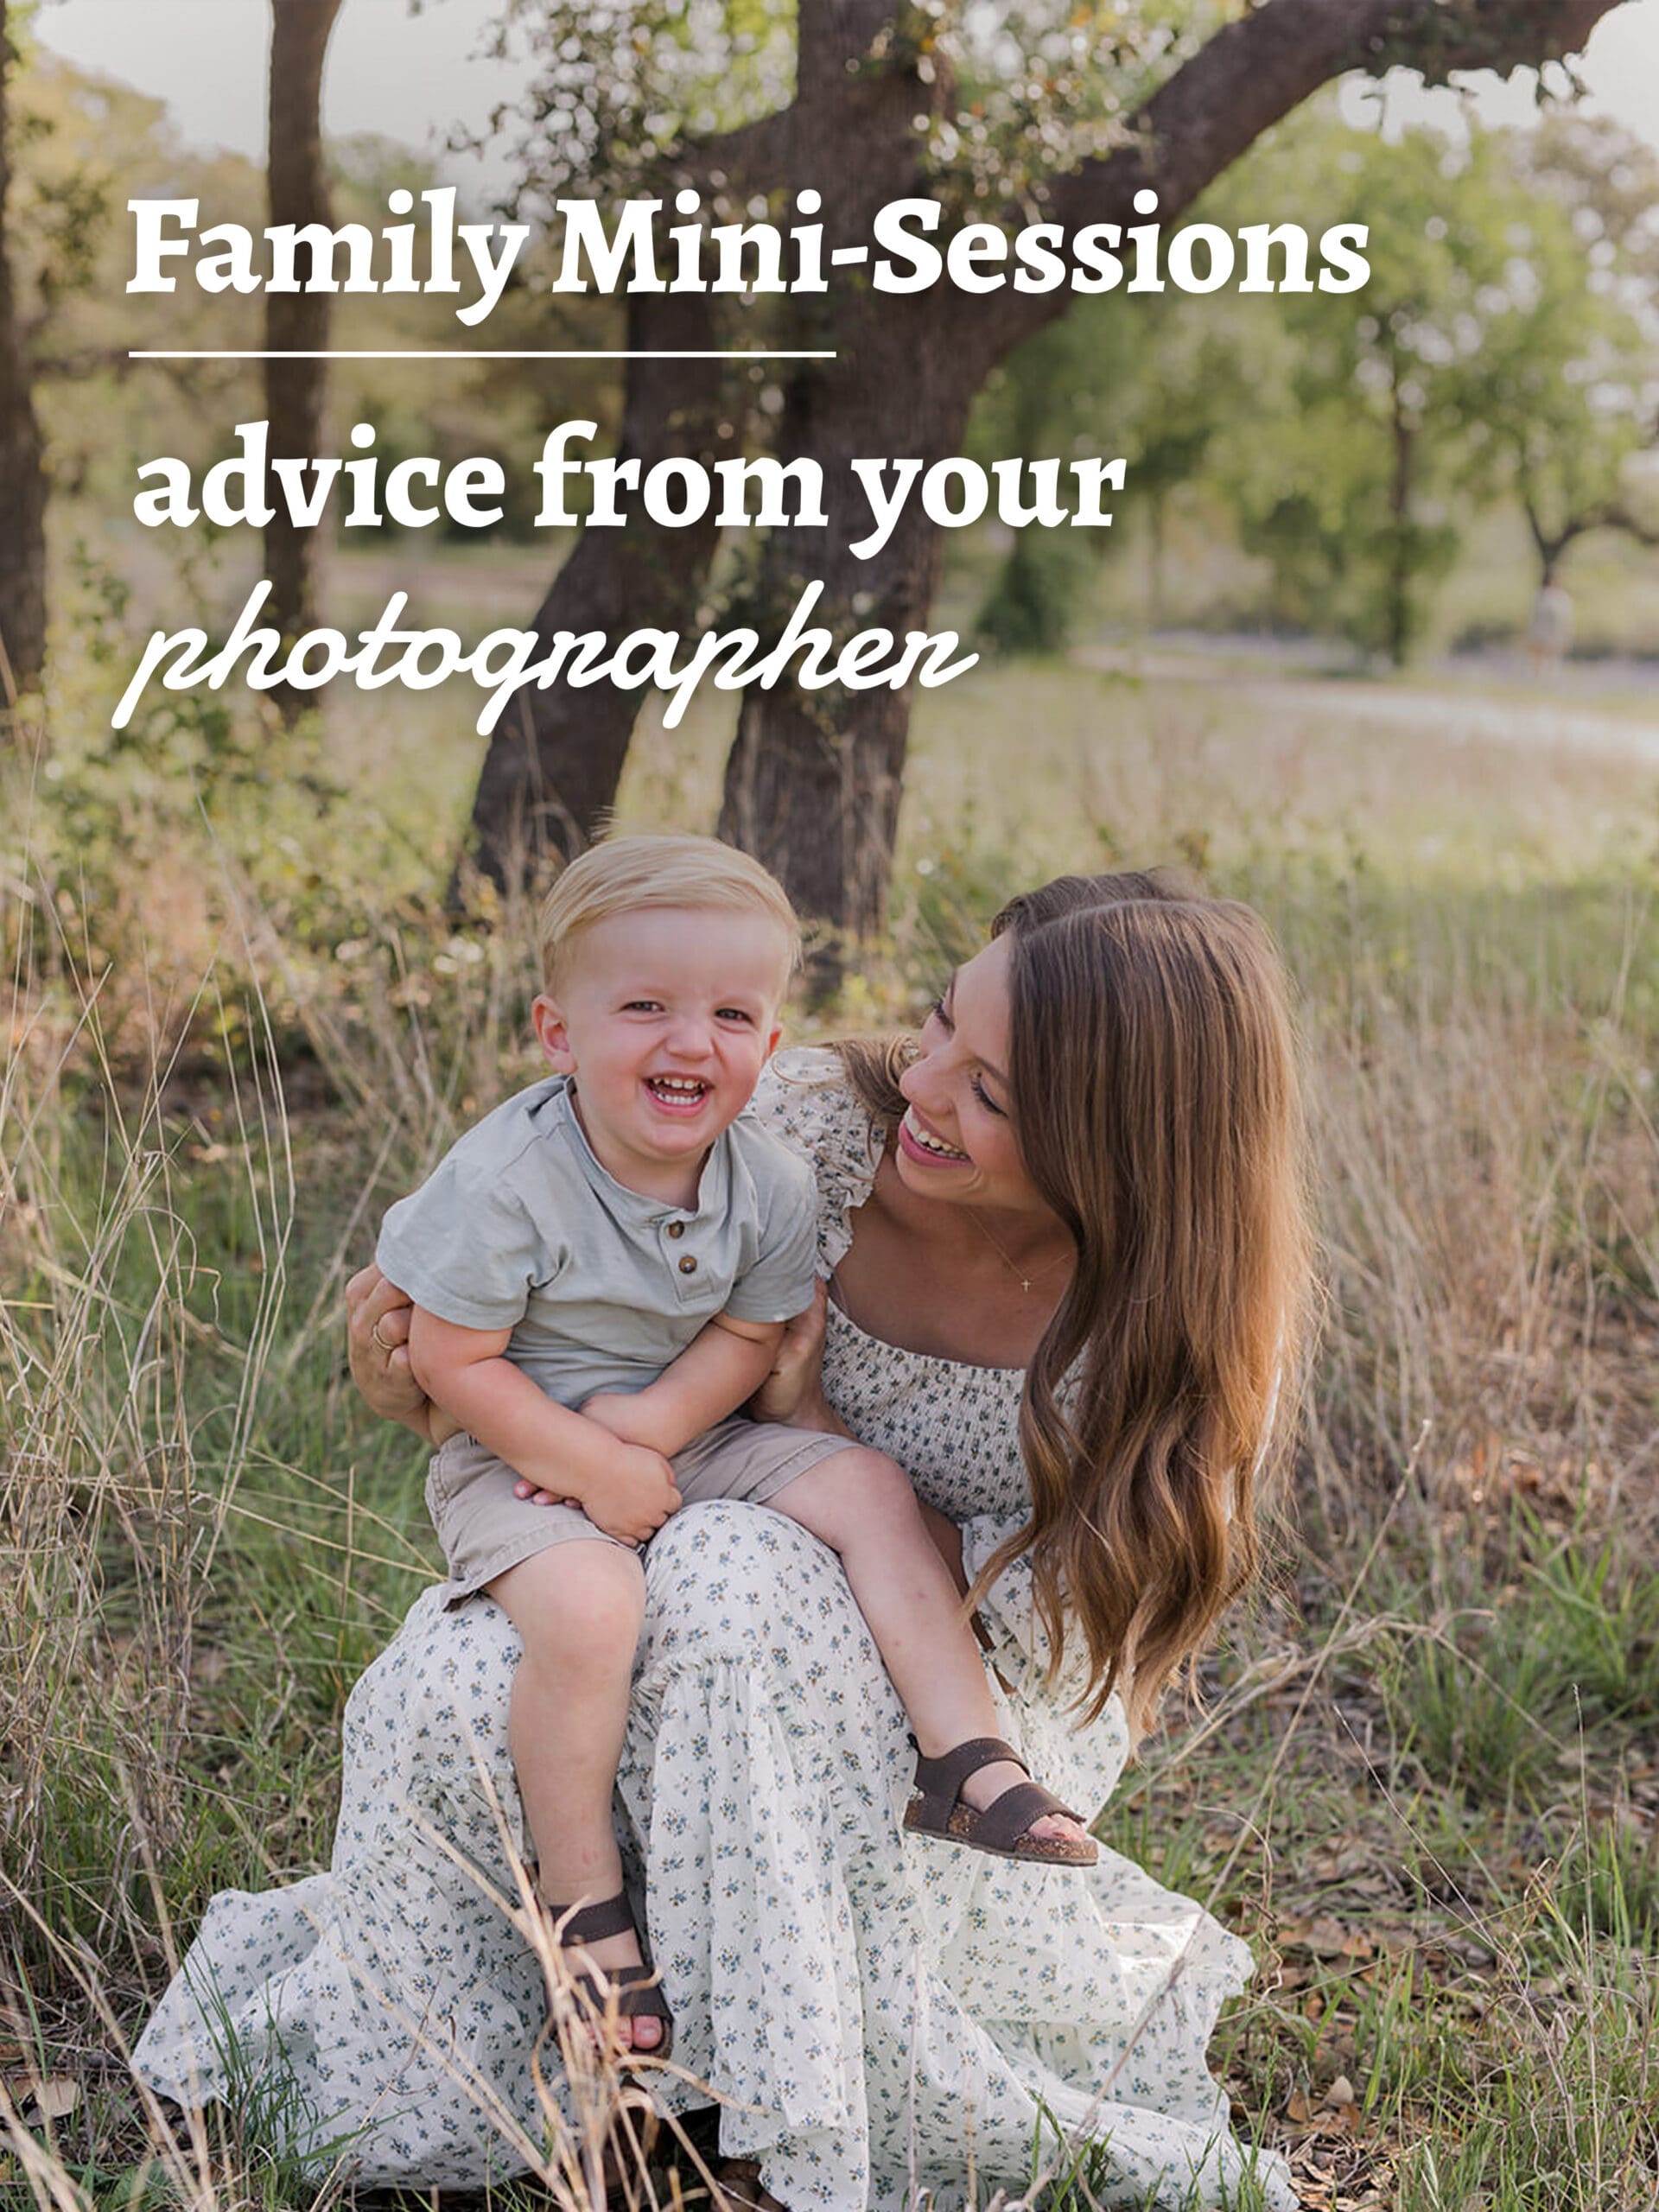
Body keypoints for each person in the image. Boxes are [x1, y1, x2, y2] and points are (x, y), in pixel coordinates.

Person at [134, 868, 1313, 2212]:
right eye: (939, 1028)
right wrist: (409, 1365)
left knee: (736, 1571)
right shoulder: (788, 1121)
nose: (924, 1087)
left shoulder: (1164, 1340)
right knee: (465, 1690)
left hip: (930, 1691)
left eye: (991, 1093)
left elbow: (1040, 1630)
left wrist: (799, 1413)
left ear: (1121, 1146)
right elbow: (520, 1346)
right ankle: (562, 2056)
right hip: (646, 1572)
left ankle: (760, 2117)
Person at [378, 836, 1095, 2059]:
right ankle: (582, 1901)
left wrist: (648, 1432)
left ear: (768, 1048)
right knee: (595, 1613)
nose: (688, 1042)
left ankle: (967, 1760)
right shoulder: (505, 1178)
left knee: (866, 1485)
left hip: (682, 1440)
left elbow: (754, 1331)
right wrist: (594, 1462)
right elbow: (447, 1362)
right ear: (558, 1032)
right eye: (643, 1007)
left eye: (729, 1014)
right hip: (519, 1461)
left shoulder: (762, 1174)